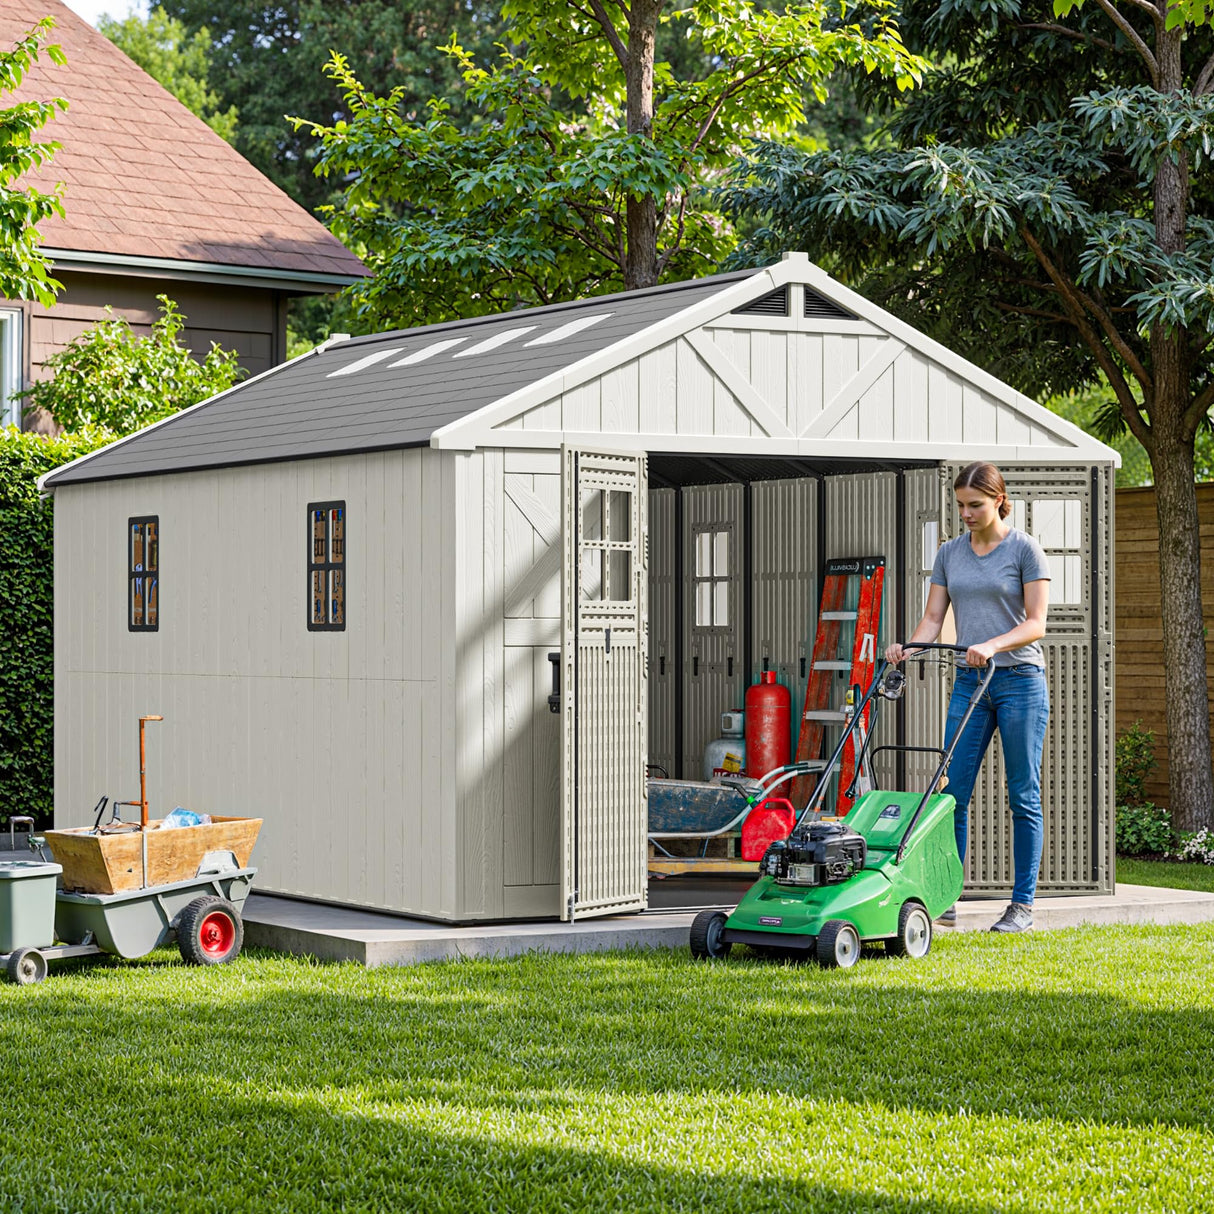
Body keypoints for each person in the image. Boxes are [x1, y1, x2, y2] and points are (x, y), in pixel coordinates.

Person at [885, 462, 1050, 933]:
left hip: (1020, 681)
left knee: (1023, 795)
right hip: (969, 683)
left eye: (975, 505)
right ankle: (946, 895)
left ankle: (1022, 906)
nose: (966, 514)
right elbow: (934, 619)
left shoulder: (1025, 550)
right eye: (960, 505)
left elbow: (1036, 624)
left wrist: (992, 645)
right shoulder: (949, 553)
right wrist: (909, 648)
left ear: (999, 500)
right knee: (951, 794)